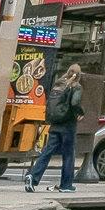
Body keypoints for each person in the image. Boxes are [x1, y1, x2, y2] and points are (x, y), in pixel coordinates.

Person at [26, 62, 82, 192]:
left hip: (55, 124)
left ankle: (33, 176)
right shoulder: (76, 86)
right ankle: (66, 185)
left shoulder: (58, 84)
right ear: (78, 75)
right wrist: (81, 112)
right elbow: (74, 103)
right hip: (68, 125)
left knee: (47, 151)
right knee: (68, 154)